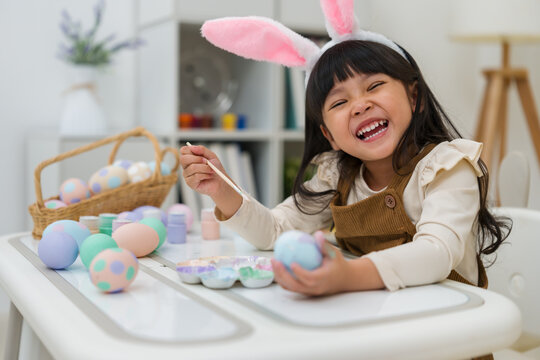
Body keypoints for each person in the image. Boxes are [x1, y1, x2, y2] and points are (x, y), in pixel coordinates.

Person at [179, 0, 511, 298]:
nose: (360, 105)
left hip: (449, 336)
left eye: (375, 86)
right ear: (330, 136)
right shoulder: (336, 175)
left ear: (414, 97)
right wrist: (223, 189)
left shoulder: (448, 167)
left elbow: (436, 253)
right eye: (339, 101)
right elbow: (275, 231)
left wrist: (348, 275)